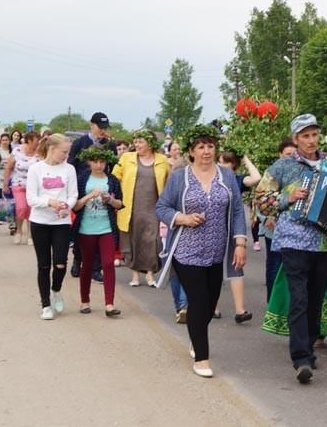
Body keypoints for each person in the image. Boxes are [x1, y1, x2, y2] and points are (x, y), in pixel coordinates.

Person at [254, 114, 327, 384]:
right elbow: (261, 201)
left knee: (315, 299)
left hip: (325, 244)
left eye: (314, 134)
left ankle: (308, 346)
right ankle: (301, 358)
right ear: (295, 139)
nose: (310, 140)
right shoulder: (281, 167)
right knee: (299, 298)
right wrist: (287, 197)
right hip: (293, 242)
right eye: (304, 136)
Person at [156, 124, 247, 378]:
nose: (206, 151)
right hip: (187, 250)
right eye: (200, 147)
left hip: (217, 251)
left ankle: (195, 337)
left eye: (210, 146)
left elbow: (238, 210)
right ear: (191, 151)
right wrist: (182, 218)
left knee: (209, 304)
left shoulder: (226, 176)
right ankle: (203, 359)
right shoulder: (179, 177)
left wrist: (240, 243)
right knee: (198, 301)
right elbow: (161, 207)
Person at [26, 134, 77, 320]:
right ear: (52, 149)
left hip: (61, 223)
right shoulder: (36, 169)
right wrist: (50, 202)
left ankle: (56, 289)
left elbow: (73, 195)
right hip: (40, 222)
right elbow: (31, 198)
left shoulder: (69, 169)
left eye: (68, 152)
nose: (66, 155)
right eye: (64, 152)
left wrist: (67, 207)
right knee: (44, 265)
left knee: (61, 262)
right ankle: (45, 304)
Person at [112, 129, 169, 287]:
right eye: (135, 142)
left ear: (150, 143)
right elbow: (114, 177)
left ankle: (150, 274)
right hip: (130, 206)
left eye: (140, 141)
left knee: (152, 240)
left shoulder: (162, 160)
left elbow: (169, 181)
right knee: (133, 239)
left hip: (154, 207)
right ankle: (135, 275)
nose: (137, 145)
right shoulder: (126, 158)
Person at [71, 147, 124, 317]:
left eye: (102, 162)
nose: (99, 165)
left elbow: (120, 204)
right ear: (89, 161)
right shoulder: (82, 179)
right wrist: (89, 196)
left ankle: (109, 304)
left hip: (106, 227)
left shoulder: (113, 180)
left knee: (108, 263)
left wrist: (109, 200)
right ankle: (84, 301)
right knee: (86, 264)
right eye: (95, 161)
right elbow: (75, 206)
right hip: (86, 228)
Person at [68, 112, 116, 282]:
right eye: (100, 127)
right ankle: (77, 260)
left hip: (102, 189)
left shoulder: (109, 145)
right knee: (82, 227)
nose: (103, 131)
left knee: (100, 227)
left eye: (105, 128)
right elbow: (71, 165)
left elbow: (113, 166)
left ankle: (96, 267)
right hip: (83, 188)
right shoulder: (80, 142)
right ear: (92, 125)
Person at [217, 148, 261, 323]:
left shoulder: (237, 180)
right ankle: (213, 307)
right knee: (213, 269)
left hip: (233, 228)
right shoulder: (212, 178)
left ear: (232, 164)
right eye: (218, 162)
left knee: (236, 267)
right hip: (214, 228)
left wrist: (245, 158)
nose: (220, 165)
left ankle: (240, 310)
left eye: (224, 162)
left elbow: (257, 178)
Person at [256, 138, 296, 301]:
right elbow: (259, 198)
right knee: (274, 264)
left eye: (294, 154)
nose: (291, 157)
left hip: (292, 229)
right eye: (287, 154)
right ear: (280, 154)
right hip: (273, 227)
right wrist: (265, 219)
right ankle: (272, 301)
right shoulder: (273, 172)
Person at [3, 131, 42, 245]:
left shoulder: (39, 153)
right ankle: (19, 231)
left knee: (31, 209)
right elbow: (9, 168)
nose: (38, 143)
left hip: (34, 186)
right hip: (18, 184)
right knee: (21, 208)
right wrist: (5, 184)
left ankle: (30, 235)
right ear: (29, 140)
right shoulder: (18, 151)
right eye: (36, 141)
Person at [0, 133, 12, 225]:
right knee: (0, 196)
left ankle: (10, 216)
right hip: (0, 177)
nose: (5, 142)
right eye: (3, 140)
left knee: (9, 197)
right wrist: (1, 164)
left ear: (9, 141)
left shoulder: (12, 151)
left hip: (10, 177)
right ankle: (1, 217)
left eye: (6, 140)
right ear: (1, 141)